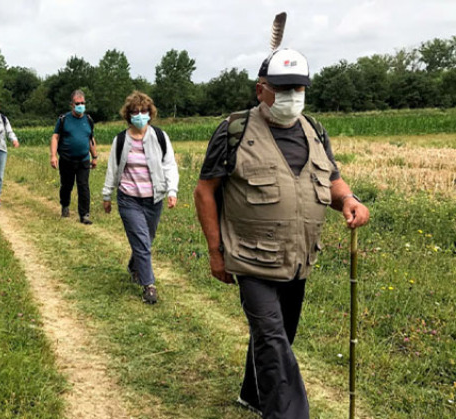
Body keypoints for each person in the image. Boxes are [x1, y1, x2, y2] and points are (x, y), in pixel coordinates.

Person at [193, 48, 370, 419]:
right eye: (283, 88)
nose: (292, 97)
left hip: (297, 259)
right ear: (261, 90)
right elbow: (205, 190)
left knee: (279, 336)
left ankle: (252, 393)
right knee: (274, 343)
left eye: (299, 88)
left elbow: (331, 179)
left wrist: (350, 200)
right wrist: (215, 250)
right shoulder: (235, 131)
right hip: (250, 258)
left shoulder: (315, 131)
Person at [102, 91, 179, 304]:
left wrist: (172, 191)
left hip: (154, 199)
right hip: (129, 199)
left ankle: (134, 266)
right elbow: (112, 169)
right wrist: (107, 195)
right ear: (128, 115)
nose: (139, 115)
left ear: (150, 113)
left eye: (143, 111)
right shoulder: (120, 140)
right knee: (142, 242)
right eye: (135, 112)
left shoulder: (160, 137)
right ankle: (149, 285)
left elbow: (169, 165)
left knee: (147, 239)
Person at [50, 90, 98, 224]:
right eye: (78, 103)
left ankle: (84, 215)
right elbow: (55, 137)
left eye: (83, 103)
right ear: (72, 104)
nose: (80, 105)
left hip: (83, 160)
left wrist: (94, 157)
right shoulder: (63, 120)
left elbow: (91, 139)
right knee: (67, 185)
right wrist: (53, 156)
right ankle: (65, 205)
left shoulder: (88, 120)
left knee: (83, 186)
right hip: (67, 160)